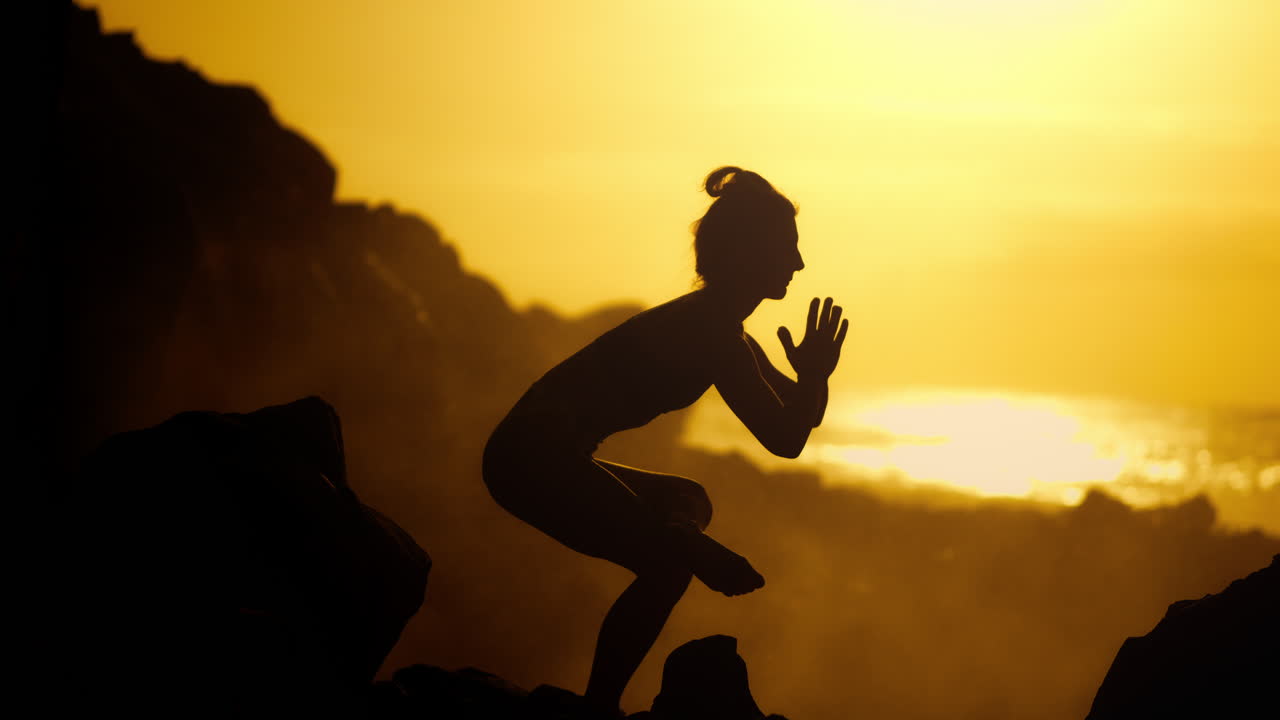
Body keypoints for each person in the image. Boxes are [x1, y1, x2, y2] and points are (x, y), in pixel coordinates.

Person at [482, 166, 848, 716]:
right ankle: (599, 707)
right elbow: (787, 439)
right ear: (751, 253)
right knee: (666, 565)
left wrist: (813, 377)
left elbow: (794, 422)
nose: (798, 264)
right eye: (788, 249)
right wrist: (814, 379)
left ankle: (681, 535)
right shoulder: (713, 332)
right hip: (529, 459)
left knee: (691, 498)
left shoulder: (723, 328)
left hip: (544, 454)